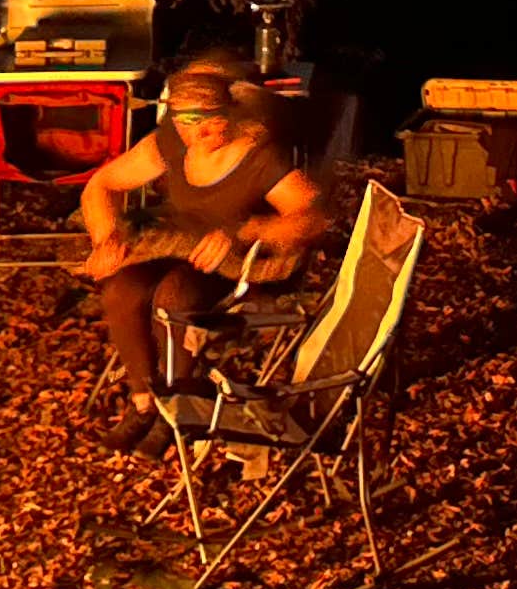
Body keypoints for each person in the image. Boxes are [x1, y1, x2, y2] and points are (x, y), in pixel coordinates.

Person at [82, 61, 351, 444]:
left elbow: (312, 217)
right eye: (184, 121)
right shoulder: (170, 143)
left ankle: (177, 407)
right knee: (122, 289)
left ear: (229, 113)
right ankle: (143, 401)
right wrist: (106, 237)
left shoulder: (259, 156)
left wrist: (244, 231)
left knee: (174, 295)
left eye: (207, 120)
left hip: (234, 264)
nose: (197, 132)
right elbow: (103, 184)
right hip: (178, 243)